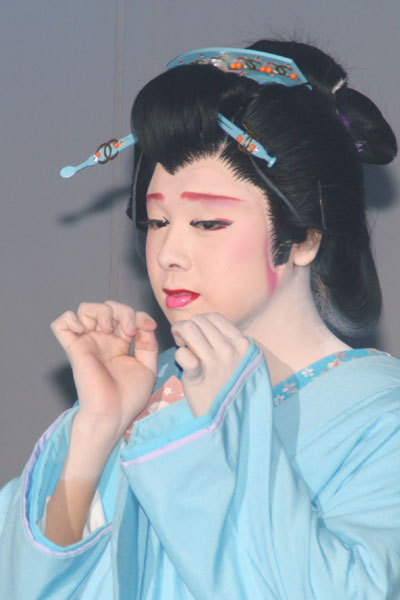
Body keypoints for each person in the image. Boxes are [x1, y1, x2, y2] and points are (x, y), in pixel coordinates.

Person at [0, 38, 399, 599]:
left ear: (305, 236)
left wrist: (220, 434)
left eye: (208, 223)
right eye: (157, 222)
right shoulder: (141, 390)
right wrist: (95, 433)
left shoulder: (381, 418)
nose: (169, 254)